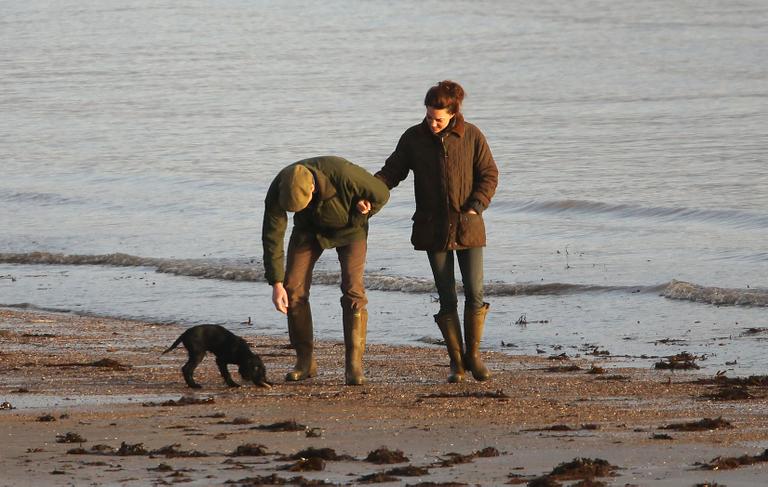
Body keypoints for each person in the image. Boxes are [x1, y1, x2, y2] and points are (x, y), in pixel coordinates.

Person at [375, 80, 499, 383]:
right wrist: (369, 192)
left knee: (475, 292)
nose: (432, 123)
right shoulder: (413, 138)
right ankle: (456, 363)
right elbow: (392, 172)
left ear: (453, 112)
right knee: (446, 298)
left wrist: (475, 206)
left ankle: (475, 357)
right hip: (432, 229)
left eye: (438, 118)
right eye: (429, 116)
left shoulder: (472, 136)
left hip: (469, 226)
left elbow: (489, 174)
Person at [262, 156, 389, 385]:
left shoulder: (343, 173)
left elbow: (381, 193)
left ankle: (354, 367)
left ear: (312, 187)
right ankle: (304, 362)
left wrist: (366, 210)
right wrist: (276, 283)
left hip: (350, 230)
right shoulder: (279, 186)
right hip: (308, 231)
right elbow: (272, 236)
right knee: (293, 289)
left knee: (353, 289)